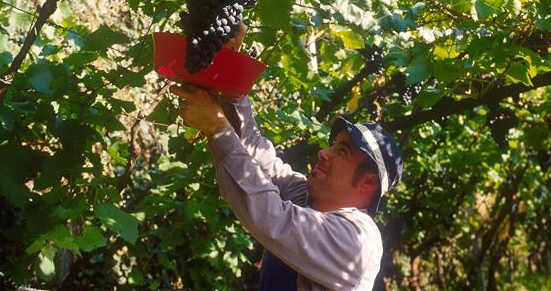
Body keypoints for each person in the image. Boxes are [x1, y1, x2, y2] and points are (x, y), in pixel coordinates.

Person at [171, 49, 403, 290]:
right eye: (332, 145)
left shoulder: (358, 240)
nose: (323, 153)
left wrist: (217, 128)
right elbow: (256, 152)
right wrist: (231, 67)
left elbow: (273, 217)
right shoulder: (306, 198)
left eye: (342, 151)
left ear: (367, 182)